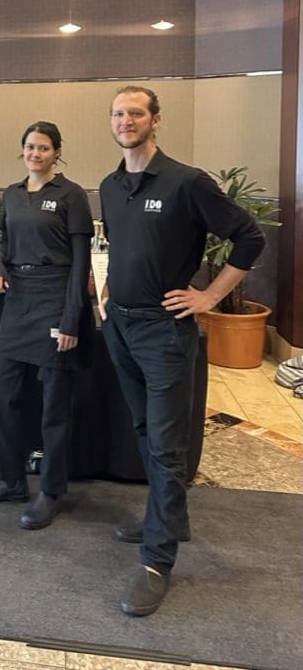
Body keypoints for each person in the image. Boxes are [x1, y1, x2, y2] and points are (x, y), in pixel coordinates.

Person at [99, 85, 265, 617]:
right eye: (118, 114)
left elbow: (249, 238)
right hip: (119, 328)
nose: (126, 121)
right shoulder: (109, 184)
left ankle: (156, 561)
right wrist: (108, 290)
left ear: (156, 120)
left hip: (164, 333)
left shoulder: (186, 182)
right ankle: (169, 519)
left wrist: (211, 296)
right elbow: (125, 248)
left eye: (136, 113)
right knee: (146, 430)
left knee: (167, 446)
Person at [0, 121, 94, 530]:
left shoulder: (71, 196)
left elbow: (81, 264)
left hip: (56, 298)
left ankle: (52, 491)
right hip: (18, 301)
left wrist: (73, 317)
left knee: (53, 404)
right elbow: (3, 240)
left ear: (57, 152)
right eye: (29, 147)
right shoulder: (12, 194)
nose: (35, 154)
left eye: (43, 148)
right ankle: (7, 480)